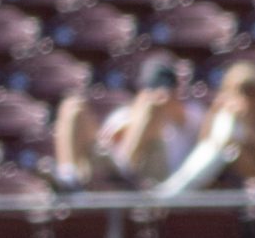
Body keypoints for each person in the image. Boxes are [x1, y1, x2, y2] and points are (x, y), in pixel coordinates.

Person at [52, 56, 204, 191]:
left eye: (168, 88)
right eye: (153, 88)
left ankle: (123, 175)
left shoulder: (192, 113)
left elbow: (196, 125)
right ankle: (68, 179)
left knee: (153, 109)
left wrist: (161, 105)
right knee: (72, 106)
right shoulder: (125, 114)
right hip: (112, 170)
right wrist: (136, 118)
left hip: (155, 180)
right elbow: (104, 144)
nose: (161, 95)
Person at [153, 60, 255, 197]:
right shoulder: (224, 118)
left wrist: (249, 127)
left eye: (251, 92)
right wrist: (214, 113)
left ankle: (169, 194)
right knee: (221, 147)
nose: (244, 97)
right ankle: (170, 193)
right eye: (236, 90)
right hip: (218, 196)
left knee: (231, 150)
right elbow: (203, 145)